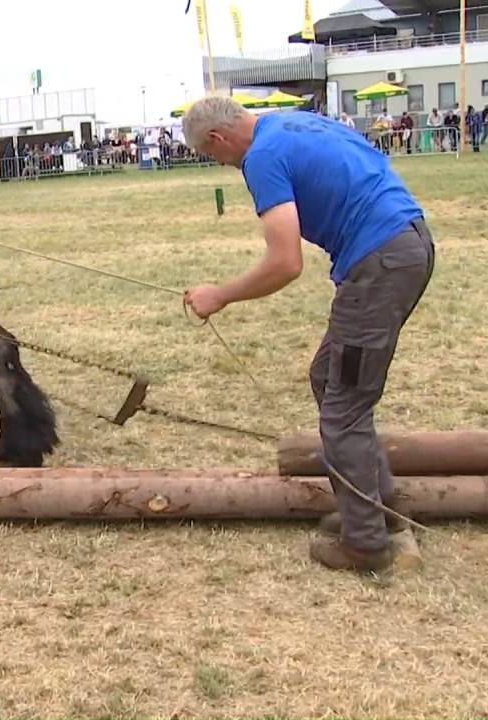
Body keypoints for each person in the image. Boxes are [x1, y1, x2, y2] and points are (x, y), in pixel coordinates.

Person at [181, 97, 435, 572]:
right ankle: (378, 507)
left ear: (218, 139)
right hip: (404, 245)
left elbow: (285, 263)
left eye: (209, 155)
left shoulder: (261, 157)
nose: (218, 163)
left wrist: (220, 295)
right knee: (329, 378)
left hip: (380, 264)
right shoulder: (292, 123)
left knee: (344, 405)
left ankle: (365, 544)